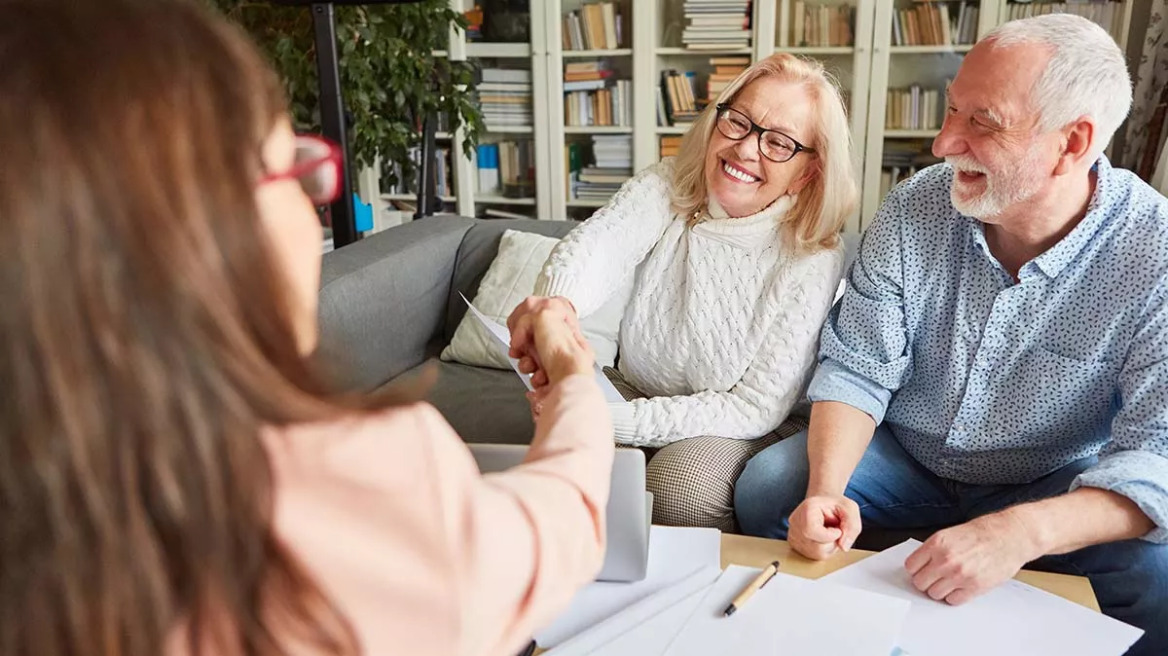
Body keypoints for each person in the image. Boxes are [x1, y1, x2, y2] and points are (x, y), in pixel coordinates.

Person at [0, 2, 613, 656]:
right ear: (200, 228)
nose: (313, 197)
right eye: (294, 167)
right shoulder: (356, 487)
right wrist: (574, 374)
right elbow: (555, 527)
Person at [734, 14, 1168, 655]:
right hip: (907, 459)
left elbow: (1156, 457)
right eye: (951, 111)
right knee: (772, 487)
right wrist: (826, 493)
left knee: (1155, 575)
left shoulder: (1154, 253)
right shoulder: (915, 206)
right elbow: (858, 367)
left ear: (1072, 144)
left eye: (981, 123)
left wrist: (1020, 533)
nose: (942, 144)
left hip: (1053, 478)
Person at [507, 53, 858, 532]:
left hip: (743, 420)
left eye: (778, 142)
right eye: (739, 121)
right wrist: (555, 308)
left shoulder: (813, 256)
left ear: (808, 172)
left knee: (678, 486)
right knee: (569, 457)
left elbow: (754, 407)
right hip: (637, 386)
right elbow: (598, 246)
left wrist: (610, 419)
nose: (746, 150)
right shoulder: (668, 183)